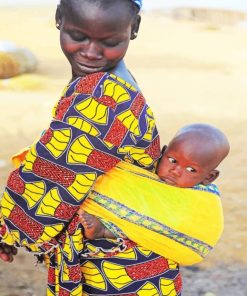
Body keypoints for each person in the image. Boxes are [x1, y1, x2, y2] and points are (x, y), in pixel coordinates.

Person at [0, 0, 184, 295]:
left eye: (109, 42)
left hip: (116, 270)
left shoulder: (103, 94)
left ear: (133, 29)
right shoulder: (110, 77)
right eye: (78, 36)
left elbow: (55, 176)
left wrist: (9, 230)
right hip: (133, 260)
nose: (91, 51)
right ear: (59, 18)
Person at [78, 123, 230, 242]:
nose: (175, 171)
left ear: (209, 178)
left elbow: (198, 232)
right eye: (172, 160)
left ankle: (105, 231)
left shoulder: (203, 200)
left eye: (191, 169)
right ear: (163, 153)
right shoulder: (143, 172)